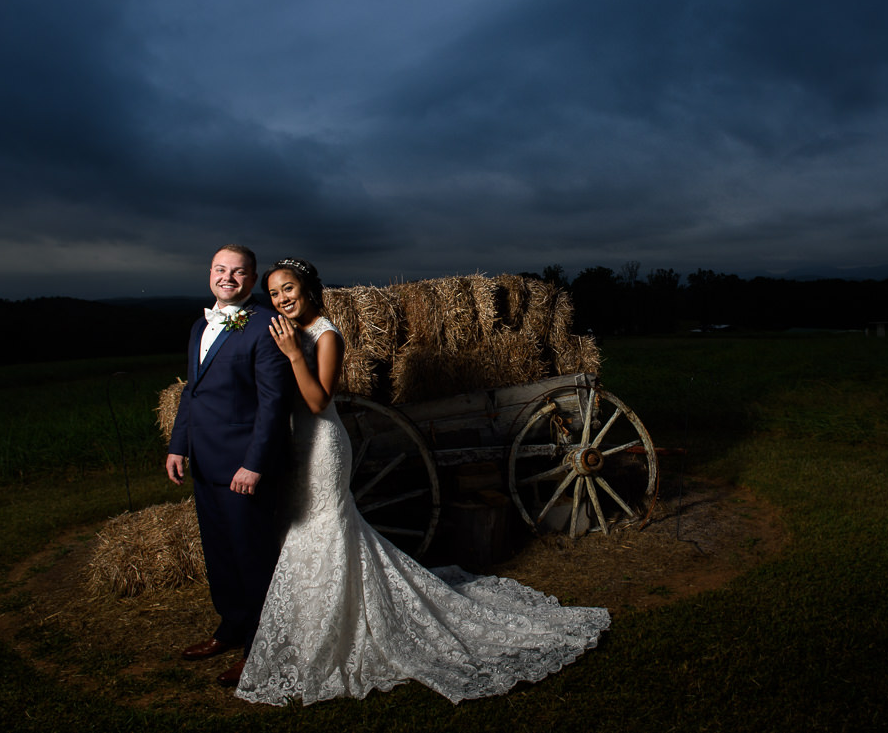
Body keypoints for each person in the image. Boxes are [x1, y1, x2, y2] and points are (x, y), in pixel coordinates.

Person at [236, 258, 610, 705]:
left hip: (322, 446)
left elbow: (317, 401)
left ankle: (336, 632)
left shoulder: (326, 335)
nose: (281, 298)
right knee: (298, 531)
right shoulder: (284, 332)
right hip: (295, 448)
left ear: (309, 289)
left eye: (289, 288)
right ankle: (309, 624)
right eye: (274, 292)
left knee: (326, 531)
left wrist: (295, 355)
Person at [165, 245, 294, 687]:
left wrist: (253, 465)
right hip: (204, 461)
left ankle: (261, 648)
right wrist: (177, 445)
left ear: (252, 279)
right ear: (210, 274)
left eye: (238, 272)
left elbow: (274, 404)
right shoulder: (200, 324)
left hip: (242, 467)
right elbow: (192, 391)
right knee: (219, 553)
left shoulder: (266, 326)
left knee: (251, 557)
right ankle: (231, 627)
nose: (228, 278)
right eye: (221, 269)